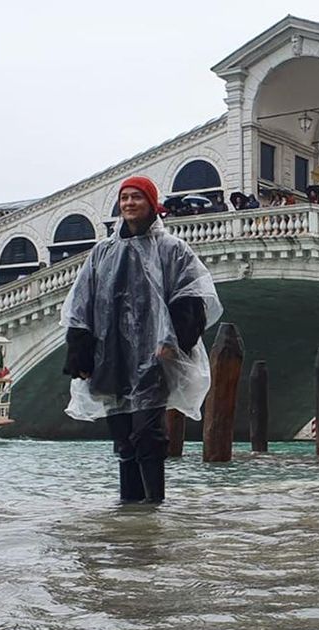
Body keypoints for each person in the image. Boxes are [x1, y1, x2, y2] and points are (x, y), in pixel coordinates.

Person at [61, 176, 223, 503]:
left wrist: (174, 341)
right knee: (122, 434)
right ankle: (130, 510)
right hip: (112, 355)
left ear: (151, 203)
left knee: (148, 432)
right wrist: (80, 354)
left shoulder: (173, 249)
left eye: (136, 197)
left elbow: (191, 298)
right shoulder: (102, 252)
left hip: (155, 356)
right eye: (124, 199)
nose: (129, 204)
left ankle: (153, 509)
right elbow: (81, 305)